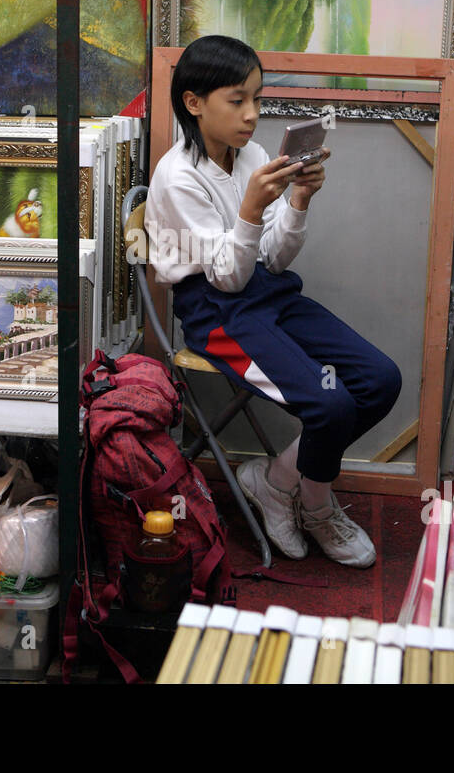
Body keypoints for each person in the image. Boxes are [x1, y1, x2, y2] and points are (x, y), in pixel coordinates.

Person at [145, 35, 402, 568]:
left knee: (379, 380)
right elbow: (226, 281)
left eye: (257, 99)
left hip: (267, 292)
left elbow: (275, 261)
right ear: (194, 103)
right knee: (330, 405)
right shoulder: (176, 178)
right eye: (237, 100)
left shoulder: (254, 156)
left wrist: (299, 201)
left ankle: (276, 480)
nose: (251, 115)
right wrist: (251, 209)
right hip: (215, 313)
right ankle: (316, 502)